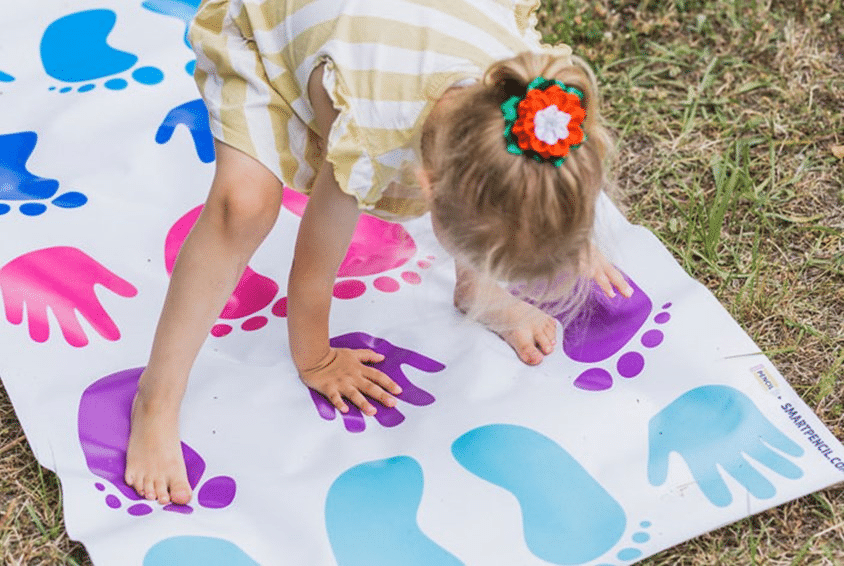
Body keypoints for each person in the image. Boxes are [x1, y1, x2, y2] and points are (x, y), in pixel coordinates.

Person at [124, 0, 633, 506]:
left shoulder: (526, 98)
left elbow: (526, 173)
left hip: (389, 33)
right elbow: (312, 269)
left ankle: (477, 287)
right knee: (244, 206)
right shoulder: (370, 134)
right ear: (424, 188)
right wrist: (317, 359)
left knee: (486, 190)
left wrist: (567, 229)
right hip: (265, 29)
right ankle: (156, 399)